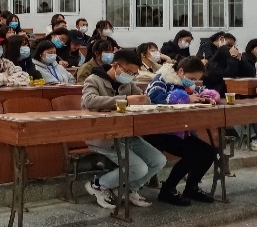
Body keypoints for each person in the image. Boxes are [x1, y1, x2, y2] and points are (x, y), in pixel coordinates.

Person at [82, 49, 162, 209]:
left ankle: (128, 189)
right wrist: (124, 100)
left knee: (158, 160)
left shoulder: (128, 83)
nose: (130, 76)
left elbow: (142, 99)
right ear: (115, 65)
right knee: (138, 168)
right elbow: (89, 101)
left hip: (127, 133)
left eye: (134, 73)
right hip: (103, 135)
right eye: (128, 72)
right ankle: (98, 184)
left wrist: (143, 100)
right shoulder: (94, 80)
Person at [144, 56, 219, 206]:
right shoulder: (162, 78)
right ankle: (168, 190)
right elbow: (154, 97)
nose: (193, 82)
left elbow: (199, 91)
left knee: (209, 152)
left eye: (196, 79)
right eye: (191, 78)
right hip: (157, 130)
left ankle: (192, 188)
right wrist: (186, 98)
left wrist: (207, 97)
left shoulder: (185, 82)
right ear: (180, 71)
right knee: (193, 153)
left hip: (177, 130)